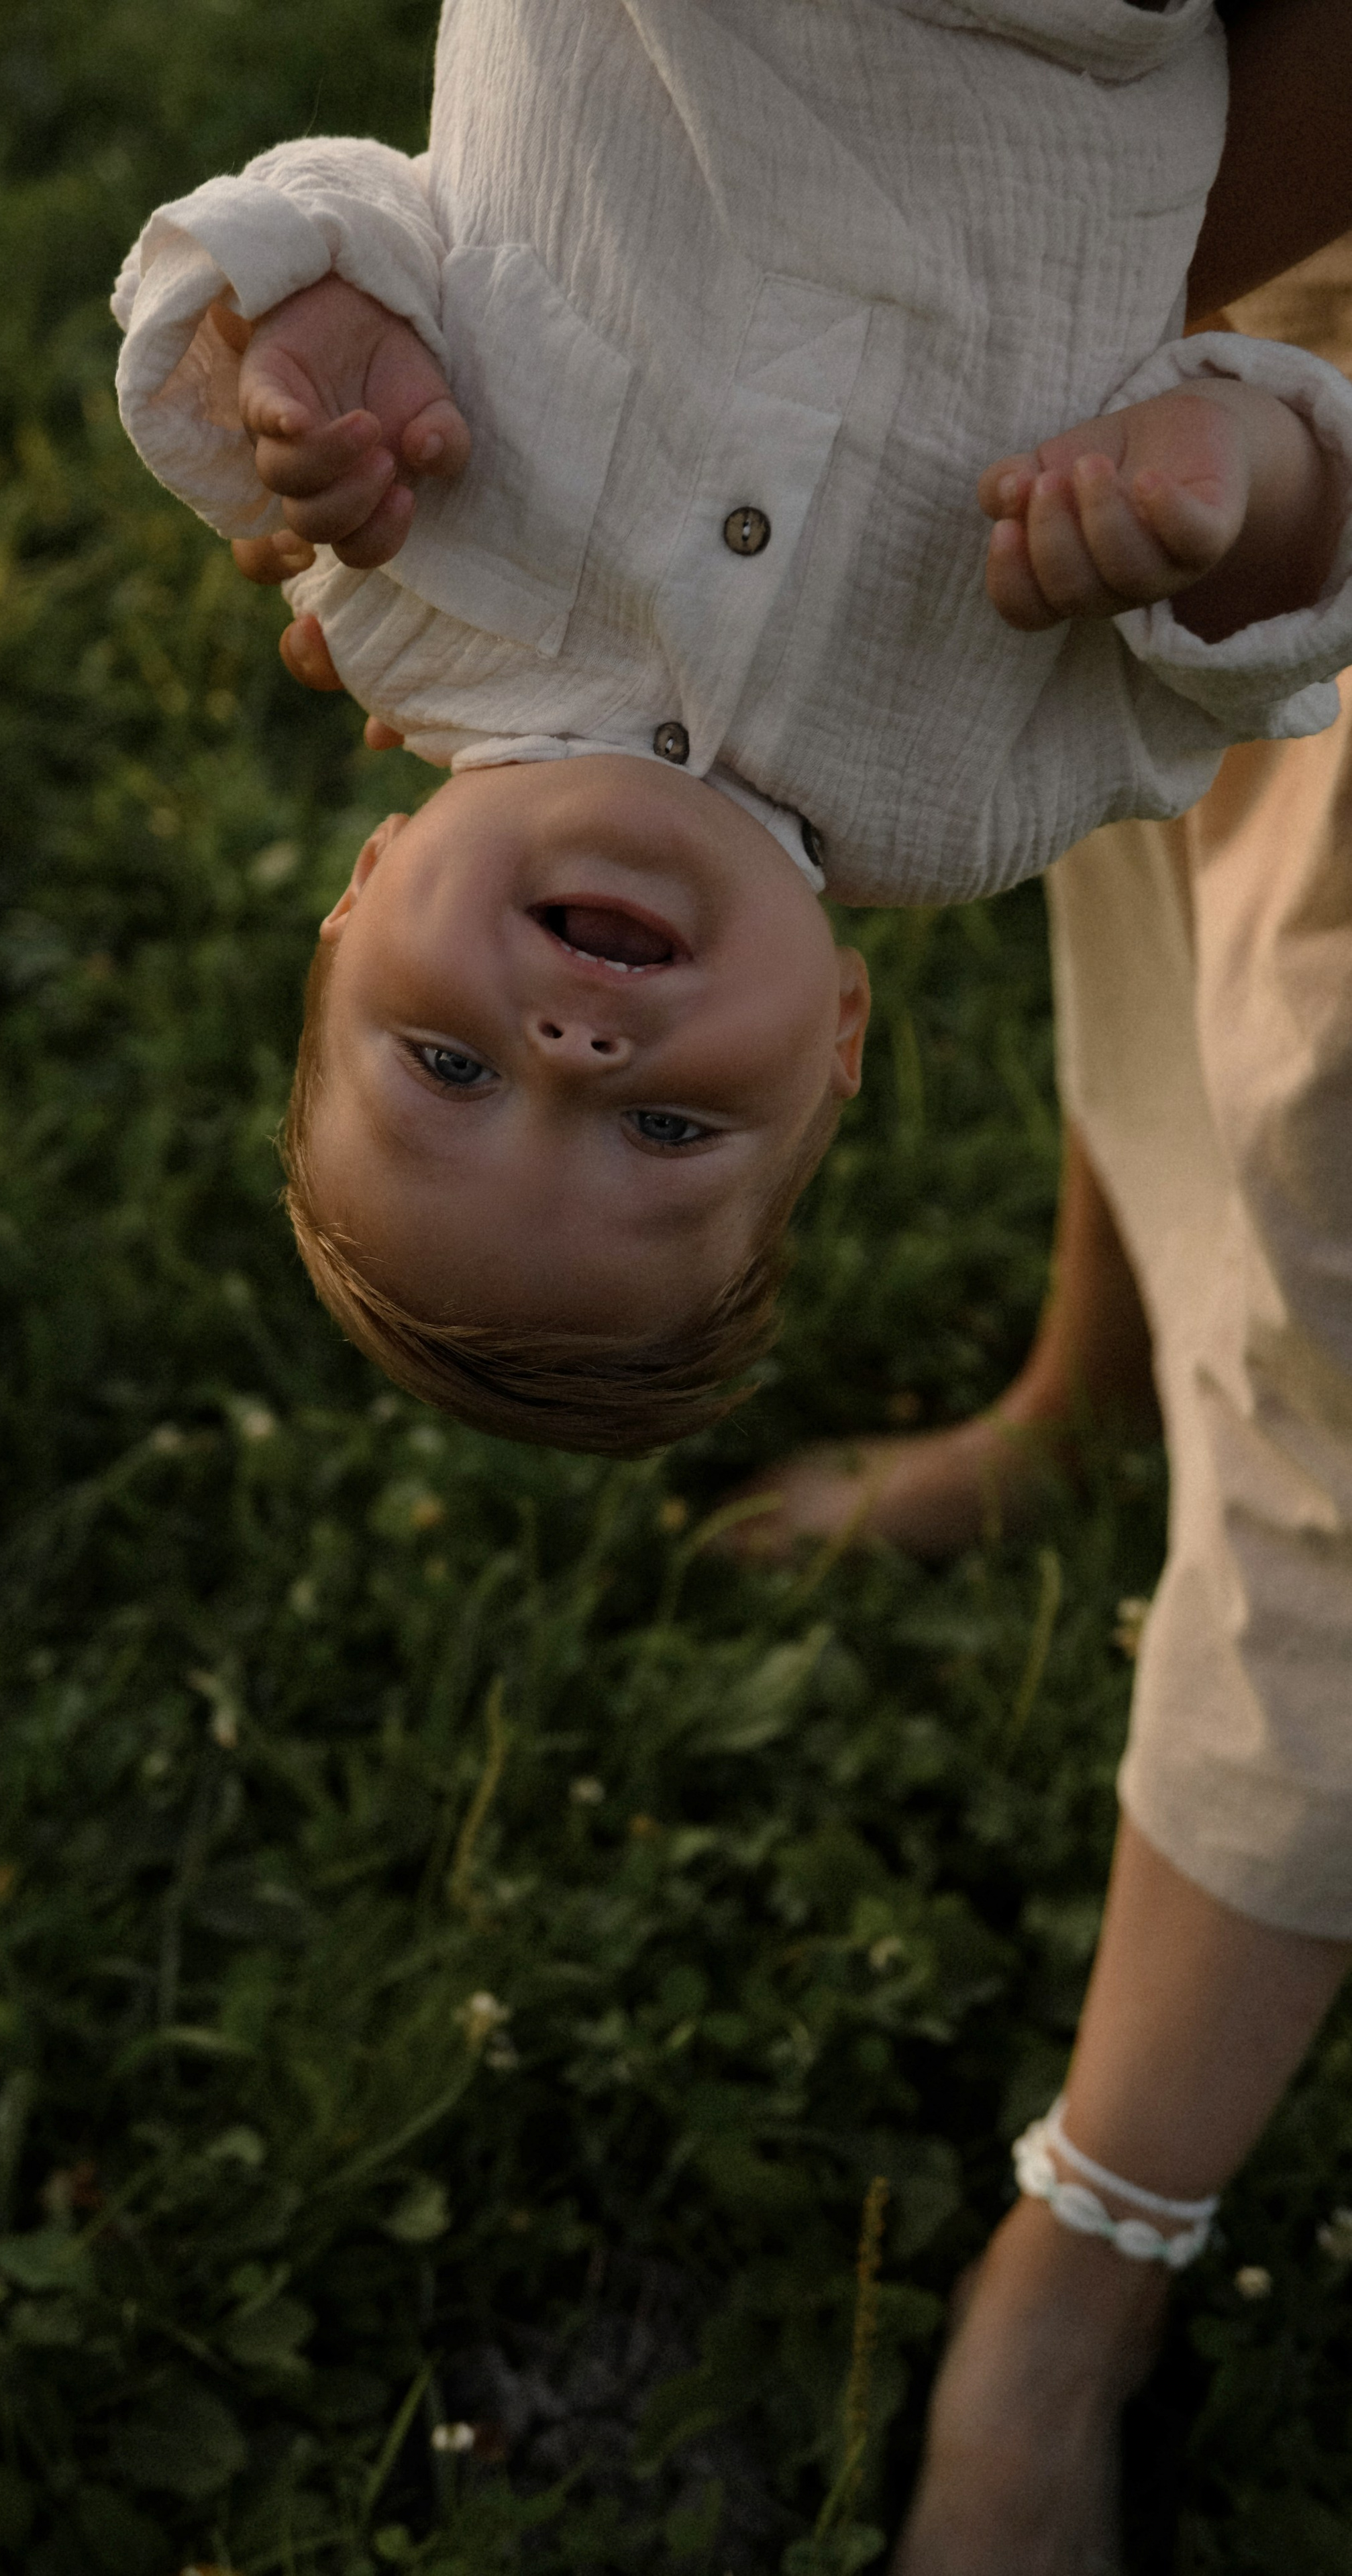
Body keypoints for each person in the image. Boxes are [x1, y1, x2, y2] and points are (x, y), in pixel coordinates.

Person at [111, 0, 1352, 1456]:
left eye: (449, 1068)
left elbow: (369, 203)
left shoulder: (390, 588)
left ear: (364, 890)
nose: (574, 1052)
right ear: (836, 1033)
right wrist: (1228, 490)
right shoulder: (970, 800)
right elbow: (1249, 659)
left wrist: (317, 327)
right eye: (666, 1133)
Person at [736, 212, 1352, 2570]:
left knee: (1330, 1154)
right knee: (1147, 803)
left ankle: (1079, 2273)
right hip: (1177, 258)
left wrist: (1019, 174)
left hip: (1203, 195)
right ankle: (1096, 1386)